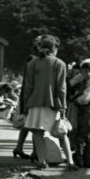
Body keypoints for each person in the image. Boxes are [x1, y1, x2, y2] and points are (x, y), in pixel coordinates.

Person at [22, 35, 69, 169]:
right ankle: (70, 161)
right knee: (61, 133)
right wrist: (63, 106)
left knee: (37, 132)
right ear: (54, 48)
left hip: (34, 102)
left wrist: (26, 104)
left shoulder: (32, 63)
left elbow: (28, 87)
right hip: (53, 103)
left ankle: (41, 160)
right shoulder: (59, 63)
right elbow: (61, 88)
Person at [71, 58, 90, 168]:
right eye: (85, 71)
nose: (87, 73)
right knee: (88, 135)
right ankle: (89, 161)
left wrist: (75, 100)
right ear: (81, 71)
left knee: (82, 135)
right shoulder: (85, 81)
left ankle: (80, 159)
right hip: (86, 110)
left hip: (88, 109)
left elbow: (85, 98)